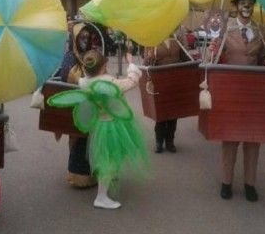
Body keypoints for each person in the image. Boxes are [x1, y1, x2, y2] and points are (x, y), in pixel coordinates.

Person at [209, 0, 265, 202]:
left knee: (252, 139)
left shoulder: (261, 31)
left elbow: (263, 61)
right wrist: (213, 52)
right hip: (231, 91)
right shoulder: (224, 29)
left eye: (249, 3)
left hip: (254, 94)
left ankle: (250, 184)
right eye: (242, 3)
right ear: (236, 6)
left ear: (253, 6)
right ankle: (226, 182)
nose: (246, 6)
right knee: (230, 139)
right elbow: (214, 62)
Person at [77, 49, 148, 209]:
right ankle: (101, 197)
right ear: (103, 67)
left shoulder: (84, 82)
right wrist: (130, 63)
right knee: (108, 159)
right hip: (112, 124)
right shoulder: (109, 82)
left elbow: (82, 80)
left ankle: (110, 176)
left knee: (107, 154)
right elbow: (132, 81)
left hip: (98, 125)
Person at [60, 22, 96, 188]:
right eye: (81, 36)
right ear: (74, 37)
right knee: (77, 138)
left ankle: (93, 173)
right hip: (76, 102)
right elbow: (65, 75)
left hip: (92, 103)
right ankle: (77, 176)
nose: (84, 40)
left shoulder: (92, 53)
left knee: (92, 139)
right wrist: (80, 80)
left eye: (87, 37)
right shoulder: (69, 56)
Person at [144, 33, 190, 153]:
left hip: (174, 80)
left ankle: (170, 141)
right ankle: (159, 142)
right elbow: (146, 64)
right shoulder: (153, 39)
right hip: (158, 80)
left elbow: (185, 58)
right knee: (160, 114)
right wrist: (149, 58)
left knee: (172, 114)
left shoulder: (177, 38)